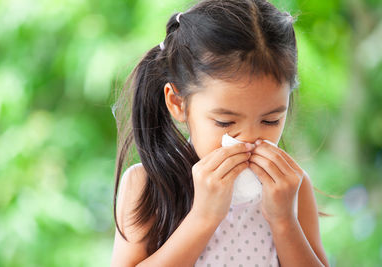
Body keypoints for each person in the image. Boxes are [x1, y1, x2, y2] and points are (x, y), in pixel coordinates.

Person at [111, 0, 330, 266]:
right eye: (225, 123)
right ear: (178, 103)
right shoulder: (147, 184)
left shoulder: (293, 187)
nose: (249, 139)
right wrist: (203, 217)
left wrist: (284, 220)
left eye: (271, 120)